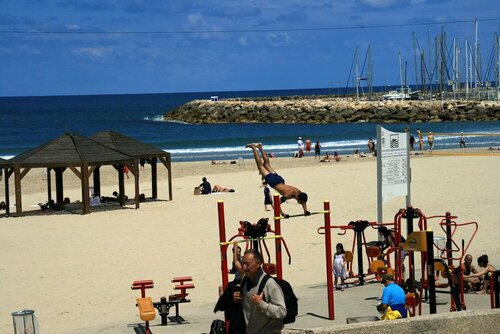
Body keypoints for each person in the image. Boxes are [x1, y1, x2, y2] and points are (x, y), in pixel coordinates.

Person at [246, 143, 309, 216]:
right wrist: (282, 214)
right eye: (301, 202)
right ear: (298, 198)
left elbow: (303, 202)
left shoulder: (299, 192)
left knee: (266, 164)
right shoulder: (289, 195)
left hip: (280, 180)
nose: (301, 203)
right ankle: (253, 148)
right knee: (260, 166)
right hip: (273, 182)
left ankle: (260, 147)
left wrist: (305, 211)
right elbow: (276, 204)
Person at [233, 249, 286, 334]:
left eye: (247, 264)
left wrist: (261, 303)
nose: (244, 267)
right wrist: (236, 298)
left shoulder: (269, 284)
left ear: (258, 264)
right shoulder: (245, 281)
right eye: (243, 264)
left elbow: (281, 311)